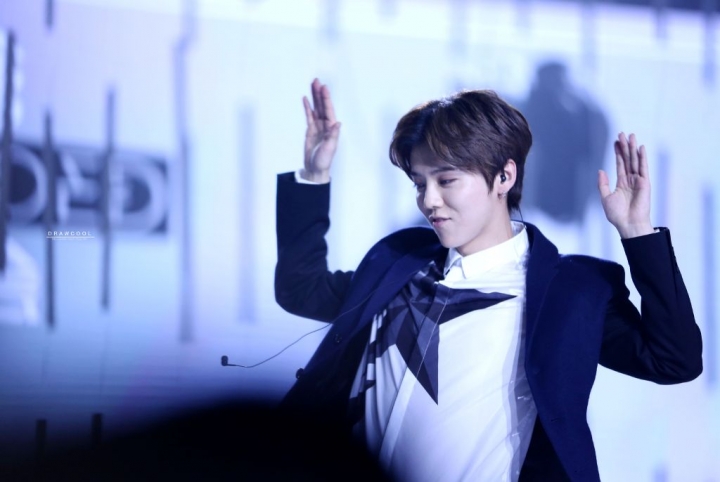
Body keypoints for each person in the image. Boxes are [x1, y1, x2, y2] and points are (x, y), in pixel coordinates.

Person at [274, 79, 702, 481]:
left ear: (504, 177)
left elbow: (673, 361)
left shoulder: (571, 292)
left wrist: (638, 233)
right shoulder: (399, 261)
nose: (429, 200)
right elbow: (301, 289)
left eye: (446, 180)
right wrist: (313, 175)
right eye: (419, 183)